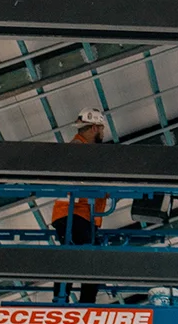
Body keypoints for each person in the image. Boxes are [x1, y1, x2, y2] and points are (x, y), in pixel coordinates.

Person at [49, 109, 110, 304]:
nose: (103, 134)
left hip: (77, 214)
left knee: (78, 255)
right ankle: (82, 304)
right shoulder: (79, 150)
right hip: (75, 213)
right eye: (101, 129)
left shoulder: (83, 150)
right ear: (93, 128)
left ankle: (65, 298)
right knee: (90, 258)